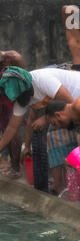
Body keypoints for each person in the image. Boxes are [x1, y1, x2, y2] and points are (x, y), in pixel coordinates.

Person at [0, 67, 80, 193]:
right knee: (52, 136)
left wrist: (45, 119)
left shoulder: (42, 79)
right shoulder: (22, 98)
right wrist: (27, 146)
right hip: (66, 110)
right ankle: (58, 185)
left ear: (25, 87)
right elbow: (12, 128)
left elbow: (70, 104)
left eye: (19, 95)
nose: (17, 98)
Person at [0, 51, 25, 179]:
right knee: (5, 128)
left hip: (12, 96)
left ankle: (15, 167)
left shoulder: (14, 58)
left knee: (12, 129)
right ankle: (11, 164)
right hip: (2, 97)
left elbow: (23, 81)